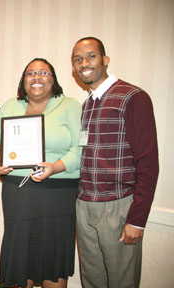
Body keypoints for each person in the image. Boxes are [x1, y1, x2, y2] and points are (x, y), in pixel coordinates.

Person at [0, 58, 82, 288]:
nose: (36, 78)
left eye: (43, 73)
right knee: (21, 256)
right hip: (19, 192)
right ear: (23, 79)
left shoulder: (70, 105)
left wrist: (54, 167)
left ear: (53, 78)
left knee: (52, 259)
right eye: (30, 73)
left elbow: (80, 149)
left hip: (58, 193)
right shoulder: (11, 105)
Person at [71, 37, 159, 288]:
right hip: (85, 204)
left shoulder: (133, 97)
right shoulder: (87, 104)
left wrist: (137, 219)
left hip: (117, 207)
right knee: (92, 279)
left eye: (91, 56)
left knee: (122, 281)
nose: (84, 63)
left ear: (105, 60)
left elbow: (148, 163)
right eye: (78, 59)